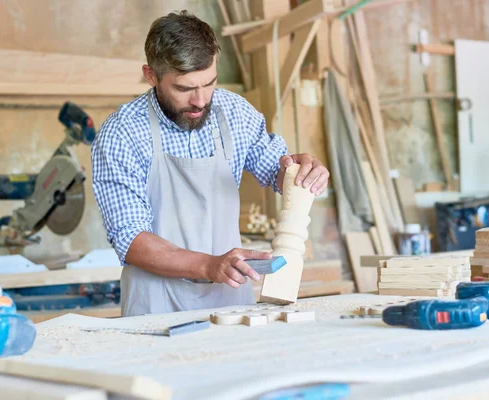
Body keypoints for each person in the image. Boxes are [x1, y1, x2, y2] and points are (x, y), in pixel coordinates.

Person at [91, 10, 329, 317]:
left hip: (231, 305)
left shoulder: (234, 113)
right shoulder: (122, 133)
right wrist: (209, 265)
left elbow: (278, 172)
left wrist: (300, 171)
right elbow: (131, 239)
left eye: (209, 83)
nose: (201, 100)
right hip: (155, 309)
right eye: (185, 89)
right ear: (151, 76)